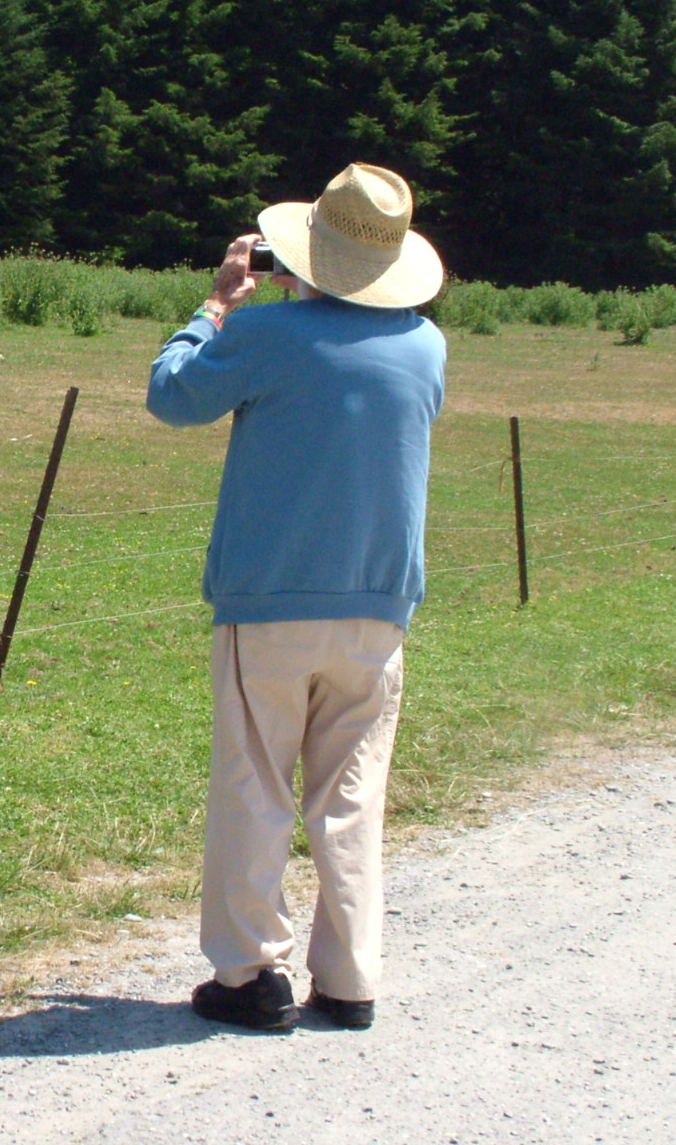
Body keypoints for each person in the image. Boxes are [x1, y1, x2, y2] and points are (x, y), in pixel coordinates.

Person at [146, 162, 446, 1031]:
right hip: (377, 606)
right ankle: (349, 979)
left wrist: (216, 306)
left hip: (270, 598)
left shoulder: (269, 336)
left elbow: (174, 397)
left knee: (255, 785)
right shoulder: (427, 344)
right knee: (350, 797)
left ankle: (250, 976)